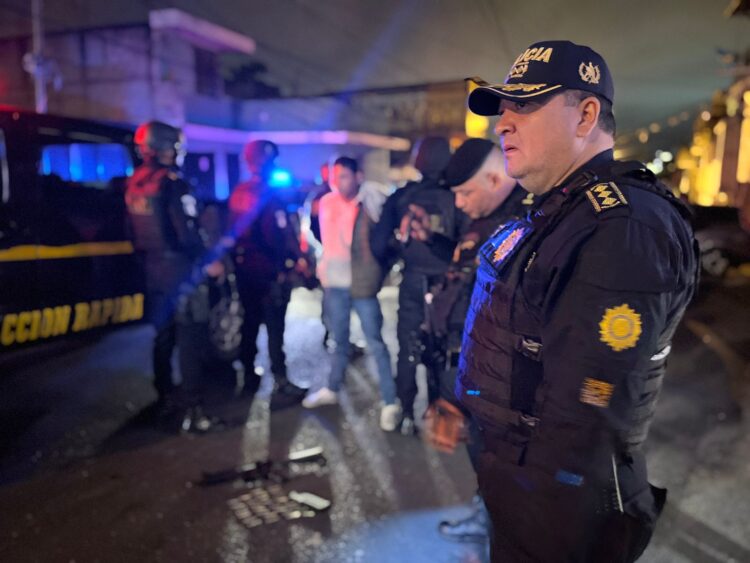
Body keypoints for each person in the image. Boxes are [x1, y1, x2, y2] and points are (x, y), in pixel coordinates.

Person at [456, 40, 699, 562]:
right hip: (523, 483)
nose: (502, 124)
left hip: (559, 508)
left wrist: (539, 513)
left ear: (586, 115)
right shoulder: (561, 210)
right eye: (503, 109)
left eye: (524, 105)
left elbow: (588, 411)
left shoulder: (620, 225)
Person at [403, 138, 532, 543]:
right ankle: (490, 518)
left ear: (494, 179)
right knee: (482, 453)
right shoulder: (487, 215)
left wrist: (456, 394)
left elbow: (500, 324)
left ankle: (498, 533)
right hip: (466, 364)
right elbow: (466, 262)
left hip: (486, 375)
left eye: (464, 193)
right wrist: (432, 239)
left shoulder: (521, 227)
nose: (458, 203)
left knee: (492, 456)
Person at [370, 137, 467, 435]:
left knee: (408, 348)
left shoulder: (401, 197)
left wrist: (399, 251)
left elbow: (378, 244)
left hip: (413, 280)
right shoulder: (458, 196)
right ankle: (441, 413)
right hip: (449, 286)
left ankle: (407, 413)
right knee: (445, 351)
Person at [302, 156, 400, 432]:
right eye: (334, 177)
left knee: (375, 342)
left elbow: (385, 233)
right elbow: (318, 234)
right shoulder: (326, 202)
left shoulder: (369, 201)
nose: (337, 182)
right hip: (334, 282)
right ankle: (332, 388)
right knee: (339, 340)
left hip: (362, 281)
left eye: (343, 176)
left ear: (357, 176)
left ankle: (390, 400)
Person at [125, 121, 203, 410]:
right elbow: (186, 232)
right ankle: (193, 408)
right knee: (190, 336)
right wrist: (203, 258)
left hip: (153, 268)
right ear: (165, 148)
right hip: (179, 268)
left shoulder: (135, 182)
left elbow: (131, 231)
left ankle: (164, 394)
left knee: (163, 335)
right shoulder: (172, 183)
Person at [228, 140, 307, 410]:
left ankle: (248, 376)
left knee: (249, 324)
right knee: (275, 328)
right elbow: (279, 235)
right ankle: (281, 380)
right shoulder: (270, 195)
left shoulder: (239, 191)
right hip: (269, 271)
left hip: (245, 270)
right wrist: (290, 263)